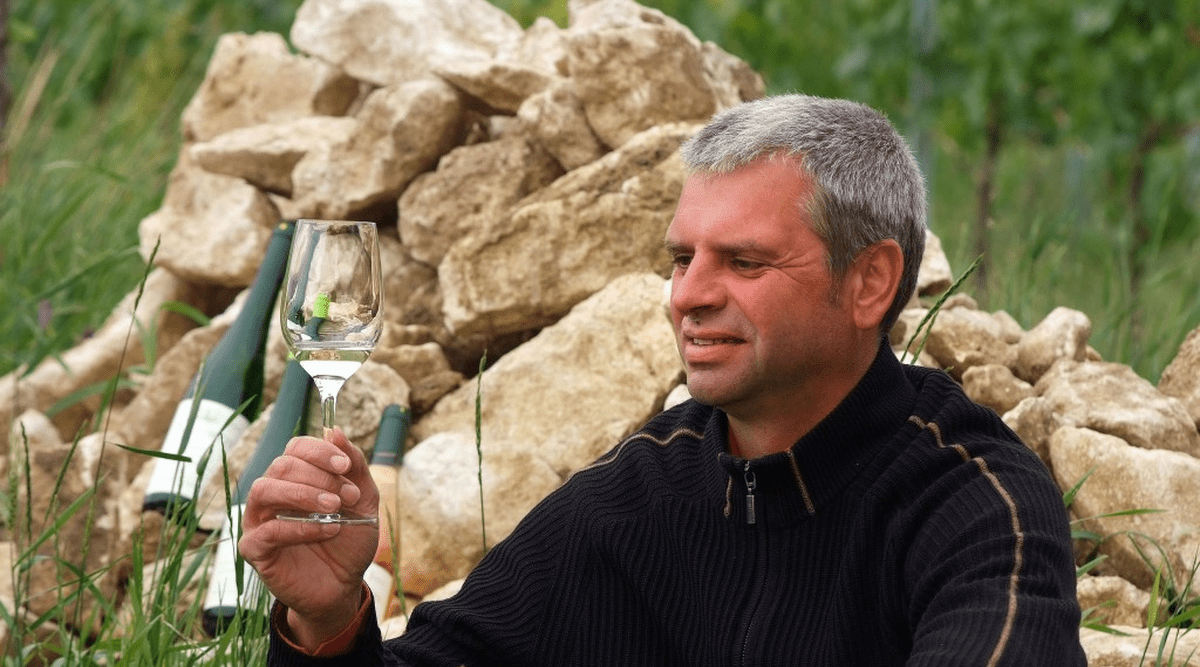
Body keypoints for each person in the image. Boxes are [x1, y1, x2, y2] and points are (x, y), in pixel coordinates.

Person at [240, 94, 1087, 665]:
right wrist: (330, 621)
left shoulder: (978, 505)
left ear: (870, 282)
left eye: (743, 261)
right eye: (683, 258)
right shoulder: (633, 495)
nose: (688, 294)